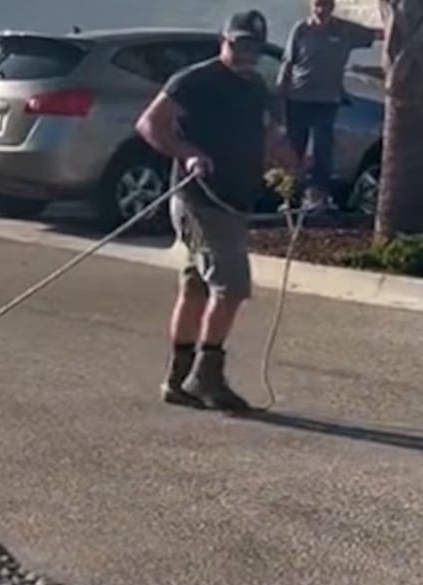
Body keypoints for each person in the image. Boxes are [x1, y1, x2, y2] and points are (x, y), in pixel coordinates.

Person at [135, 10, 300, 414]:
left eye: (253, 47)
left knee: (197, 287)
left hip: (234, 199)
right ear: (223, 41)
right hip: (200, 198)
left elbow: (266, 134)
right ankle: (207, 377)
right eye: (239, 44)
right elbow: (150, 124)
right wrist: (188, 154)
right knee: (232, 286)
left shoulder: (257, 86)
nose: (245, 53)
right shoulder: (196, 80)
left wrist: (286, 161)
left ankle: (179, 379)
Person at [276, 0, 383, 212]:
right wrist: (281, 93)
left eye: (325, 5)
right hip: (298, 98)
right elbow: (287, 63)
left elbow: (376, 34)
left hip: (327, 100)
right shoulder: (301, 29)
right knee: (294, 150)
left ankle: (319, 198)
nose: (320, 10)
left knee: (321, 151)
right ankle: (289, 197)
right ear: (310, 5)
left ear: (332, 6)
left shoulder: (344, 30)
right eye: (317, 5)